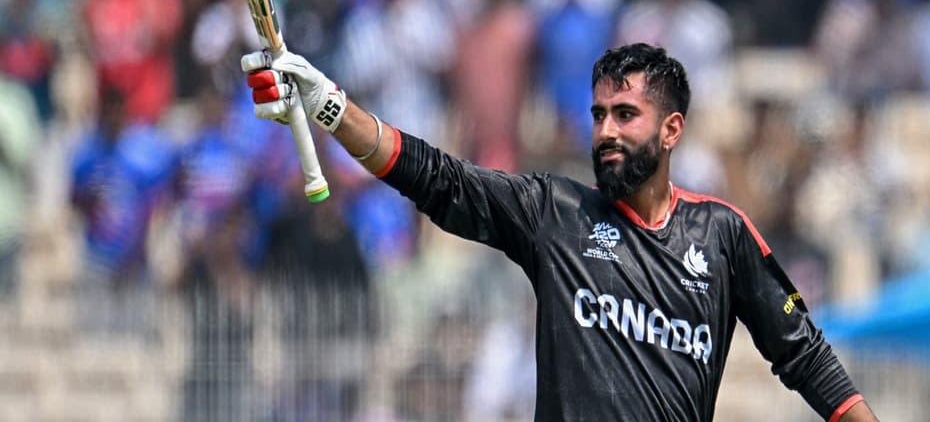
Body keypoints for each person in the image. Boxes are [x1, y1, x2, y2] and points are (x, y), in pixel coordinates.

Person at [241, 42, 877, 421]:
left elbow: (808, 358)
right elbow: (437, 178)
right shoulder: (555, 213)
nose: (605, 131)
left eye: (626, 115)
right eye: (599, 113)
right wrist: (330, 105)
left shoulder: (723, 234)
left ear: (671, 130)